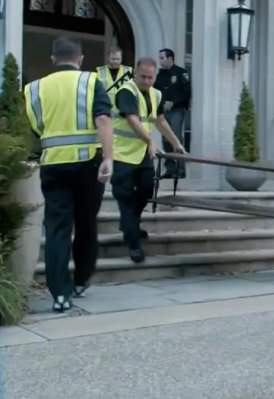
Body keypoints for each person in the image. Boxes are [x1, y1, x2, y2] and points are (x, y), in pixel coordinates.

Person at [23, 37, 114, 312]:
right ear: (81, 58)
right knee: (86, 224)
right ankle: (80, 281)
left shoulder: (33, 89)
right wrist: (109, 157)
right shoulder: (91, 81)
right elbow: (103, 119)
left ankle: (59, 295)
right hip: (88, 164)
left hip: (53, 166)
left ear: (53, 59)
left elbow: (35, 128)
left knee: (57, 229)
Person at [111, 57, 187, 263]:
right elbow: (133, 119)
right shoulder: (126, 91)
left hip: (142, 155)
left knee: (146, 190)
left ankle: (129, 224)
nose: (146, 81)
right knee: (125, 199)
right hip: (121, 155)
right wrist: (151, 141)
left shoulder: (156, 94)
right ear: (135, 73)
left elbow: (160, 120)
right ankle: (134, 244)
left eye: (150, 77)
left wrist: (176, 143)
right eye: (142, 76)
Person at [154, 48, 191, 178]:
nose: (160, 60)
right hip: (163, 112)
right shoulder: (159, 75)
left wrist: (173, 103)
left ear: (170, 58)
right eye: (159, 58)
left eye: (162, 58)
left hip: (177, 110)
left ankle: (180, 170)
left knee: (176, 137)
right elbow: (155, 92)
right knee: (166, 139)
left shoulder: (181, 73)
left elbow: (187, 93)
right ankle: (170, 169)